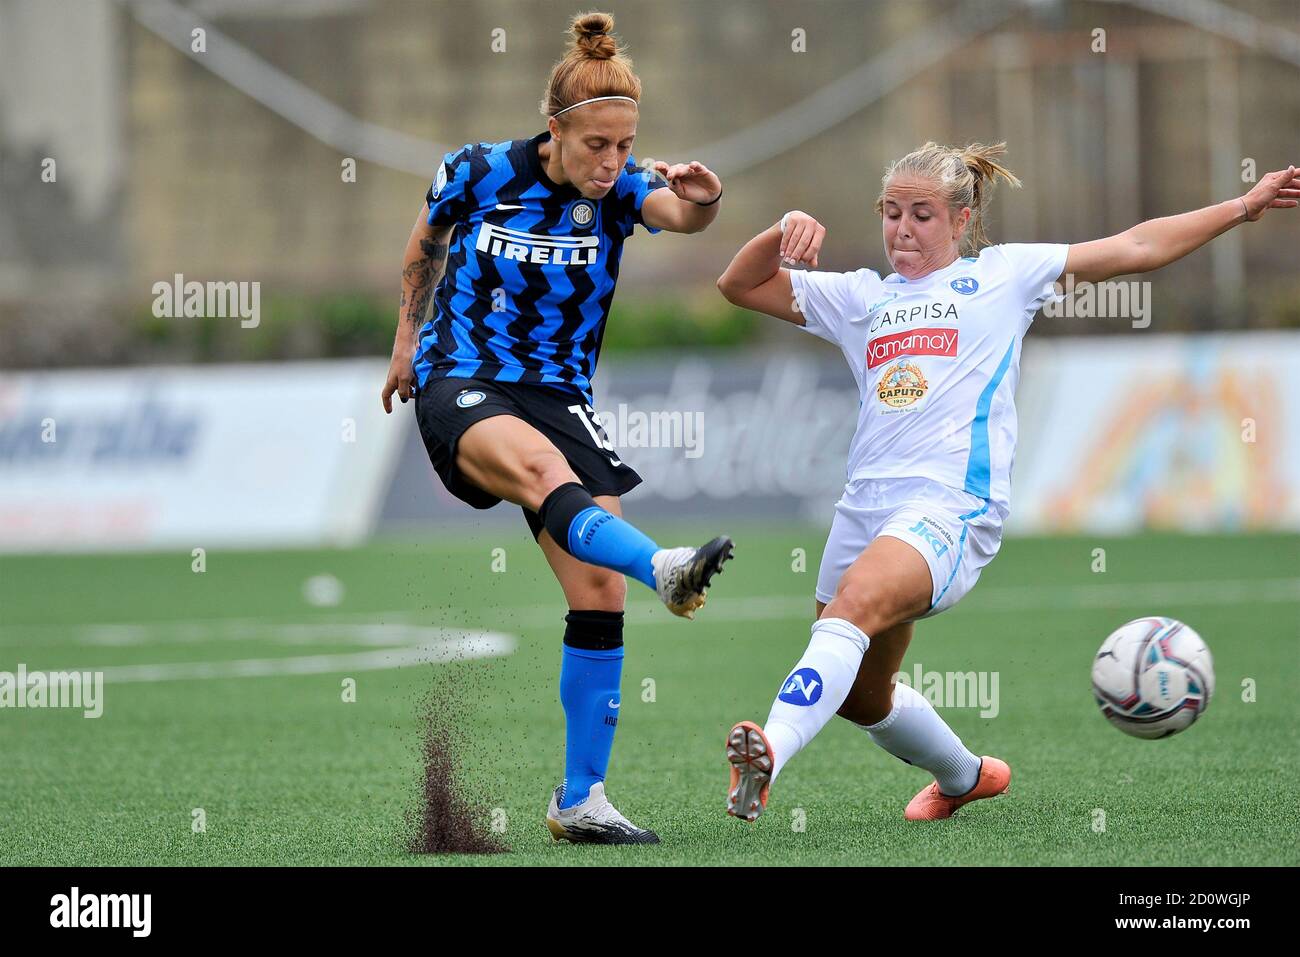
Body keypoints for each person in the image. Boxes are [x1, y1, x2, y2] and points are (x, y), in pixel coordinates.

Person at [717, 140, 1298, 822]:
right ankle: (965, 775)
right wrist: (780, 228)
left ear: (961, 220)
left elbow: (1136, 246)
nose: (902, 228)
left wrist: (1243, 206)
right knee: (862, 696)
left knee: (853, 607)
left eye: (923, 215)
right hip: (863, 508)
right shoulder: (859, 297)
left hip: (950, 507)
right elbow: (740, 284)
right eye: (892, 212)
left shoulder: (1004, 275)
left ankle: (768, 754)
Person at [381, 12, 733, 844]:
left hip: (559, 395)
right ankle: (667, 565)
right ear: (556, 129)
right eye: (596, 145)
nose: (611, 162)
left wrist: (704, 197)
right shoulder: (478, 170)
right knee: (545, 475)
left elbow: (684, 220)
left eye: (625, 144)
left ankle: (579, 798)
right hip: (461, 378)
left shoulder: (624, 191)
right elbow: (424, 243)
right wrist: (404, 345)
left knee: (596, 588)